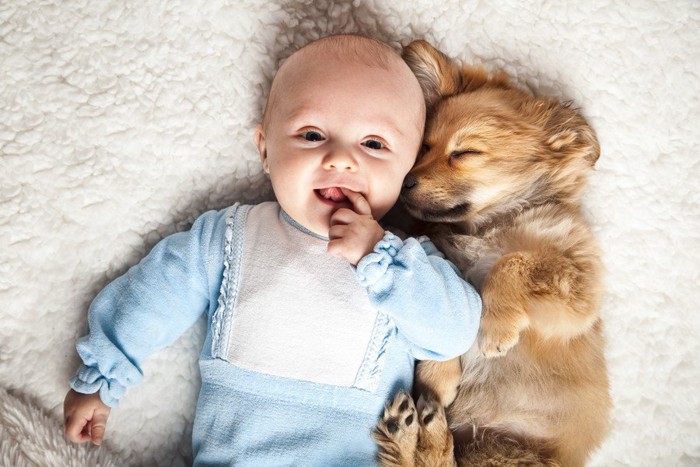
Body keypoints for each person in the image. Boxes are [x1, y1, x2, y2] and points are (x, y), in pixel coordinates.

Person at [63, 34, 482, 466]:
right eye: (313, 135)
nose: (340, 159)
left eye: (373, 144)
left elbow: (454, 330)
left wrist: (381, 256)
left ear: (407, 168)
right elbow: (154, 294)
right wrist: (100, 376)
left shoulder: (405, 263)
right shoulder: (230, 236)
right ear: (266, 151)